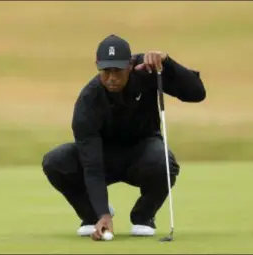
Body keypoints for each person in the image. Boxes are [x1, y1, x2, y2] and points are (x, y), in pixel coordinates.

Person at [42, 34, 206, 241]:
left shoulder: (147, 73)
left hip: (143, 153)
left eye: (117, 70)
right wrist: (102, 212)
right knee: (55, 161)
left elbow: (197, 93)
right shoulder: (88, 101)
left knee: (163, 161)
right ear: (97, 66)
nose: (111, 78)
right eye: (105, 71)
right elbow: (92, 166)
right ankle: (93, 215)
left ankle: (144, 216)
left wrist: (168, 63)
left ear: (130, 65)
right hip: (102, 156)